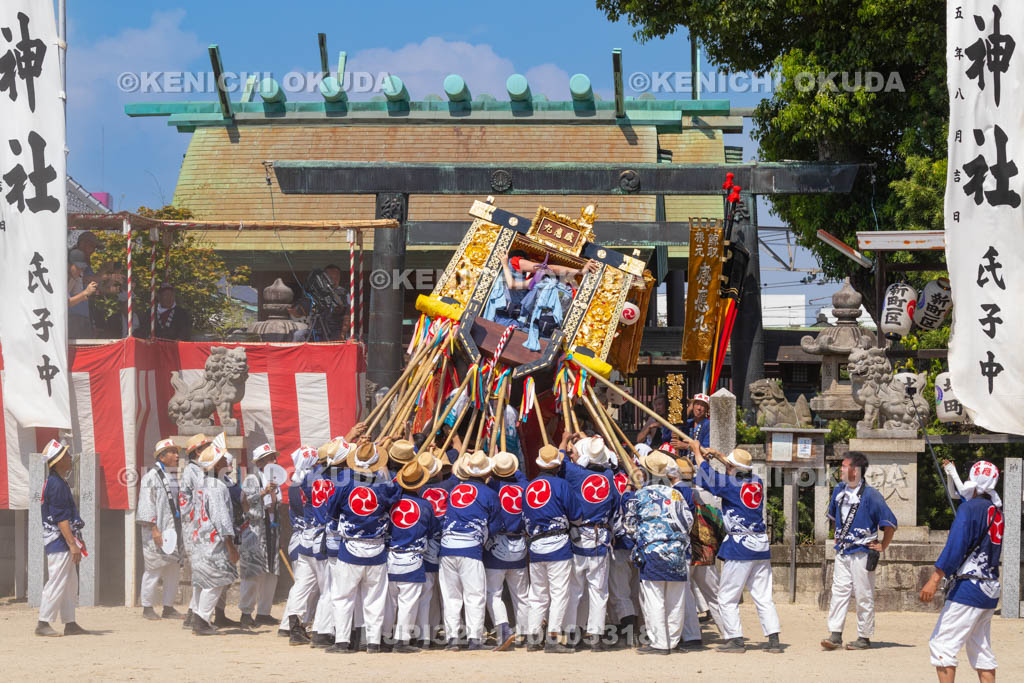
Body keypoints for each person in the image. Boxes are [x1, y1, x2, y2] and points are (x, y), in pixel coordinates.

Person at [690, 439, 782, 653]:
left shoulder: (730, 485)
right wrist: (719, 456)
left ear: (732, 468)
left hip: (740, 547)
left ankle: (735, 640)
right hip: (760, 545)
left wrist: (697, 452)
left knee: (726, 597)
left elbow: (708, 476)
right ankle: (774, 639)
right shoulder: (756, 481)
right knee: (763, 596)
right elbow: (733, 471)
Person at [921, 460, 1004, 682]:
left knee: (942, 644)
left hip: (970, 586)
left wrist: (935, 578)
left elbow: (956, 546)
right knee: (981, 648)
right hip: (990, 587)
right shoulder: (996, 512)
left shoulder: (969, 509)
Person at [325, 440, 401, 653]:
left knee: (343, 596)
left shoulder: (344, 481)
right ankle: (373, 643)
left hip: (350, 547)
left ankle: (342, 642)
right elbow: (396, 495)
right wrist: (384, 474)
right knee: (375, 598)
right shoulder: (383, 484)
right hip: (377, 548)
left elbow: (331, 509)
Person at [821, 451, 898, 651]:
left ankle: (864, 636)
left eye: (844, 466)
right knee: (839, 591)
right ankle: (835, 634)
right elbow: (834, 517)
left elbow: (890, 524)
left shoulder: (871, 495)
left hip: (863, 551)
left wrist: (883, 545)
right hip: (844, 550)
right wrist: (838, 534)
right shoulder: (839, 490)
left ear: (855, 470)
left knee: (863, 593)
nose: (841, 470)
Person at [624, 450, 694, 655]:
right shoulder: (677, 494)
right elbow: (688, 521)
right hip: (677, 552)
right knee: (676, 599)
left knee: (654, 599)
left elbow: (629, 526)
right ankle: (672, 640)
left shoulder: (640, 495)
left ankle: (659, 642)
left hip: (652, 552)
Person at [438, 450, 501, 651]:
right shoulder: (490, 494)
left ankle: (452, 639)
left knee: (451, 596)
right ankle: (474, 639)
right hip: (470, 548)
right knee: (474, 595)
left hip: (447, 547)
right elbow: (496, 525)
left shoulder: (455, 490)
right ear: (487, 473)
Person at [564, 434, 620, 651]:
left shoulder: (575, 474)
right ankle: (595, 635)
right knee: (598, 590)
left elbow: (559, 459)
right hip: (601, 537)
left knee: (575, 589)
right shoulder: (608, 476)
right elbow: (615, 504)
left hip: (579, 536)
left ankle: (573, 634)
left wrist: (566, 441)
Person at [523, 444, 580, 653]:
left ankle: (533, 637)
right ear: (557, 466)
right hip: (558, 545)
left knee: (537, 595)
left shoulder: (529, 487)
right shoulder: (562, 485)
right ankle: (553, 639)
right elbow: (576, 515)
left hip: (536, 546)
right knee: (559, 594)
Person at [383, 454, 440, 653]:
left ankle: (384, 637)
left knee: (390, 602)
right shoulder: (425, 505)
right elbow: (433, 530)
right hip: (413, 558)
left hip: (391, 556)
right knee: (408, 601)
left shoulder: (392, 503)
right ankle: (402, 641)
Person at [669, 456, 726, 648]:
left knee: (685, 594)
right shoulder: (705, 494)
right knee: (715, 595)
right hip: (705, 549)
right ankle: (730, 632)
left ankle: (692, 636)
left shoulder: (672, 494)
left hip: (684, 549)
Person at [36, 440, 88, 637]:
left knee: (69, 583)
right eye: (66, 455)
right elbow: (61, 518)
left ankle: (70, 622)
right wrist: (72, 543)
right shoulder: (56, 484)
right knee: (57, 580)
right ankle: (43, 622)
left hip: (62, 539)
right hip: (59, 540)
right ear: (57, 461)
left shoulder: (58, 481)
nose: (69, 457)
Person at [190, 442, 240, 636]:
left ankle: (197, 616)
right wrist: (230, 545)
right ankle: (202, 620)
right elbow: (222, 519)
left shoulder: (201, 483)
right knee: (216, 580)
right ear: (217, 464)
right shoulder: (218, 486)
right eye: (223, 458)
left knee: (202, 580)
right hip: (214, 540)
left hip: (200, 538)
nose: (227, 461)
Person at [484, 450, 530, 651]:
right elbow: (520, 477)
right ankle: (526, 632)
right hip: (519, 542)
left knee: (493, 592)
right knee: (521, 594)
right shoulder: (525, 486)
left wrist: (494, 468)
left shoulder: (492, 487)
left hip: (497, 544)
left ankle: (503, 629)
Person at [137, 438, 185, 620]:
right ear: (162, 456)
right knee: (153, 568)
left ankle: (168, 607)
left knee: (173, 569)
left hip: (173, 529)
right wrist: (154, 529)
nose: (177, 456)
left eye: (177, 452)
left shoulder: (170, 476)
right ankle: (147, 607)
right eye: (173, 452)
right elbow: (146, 505)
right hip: (157, 530)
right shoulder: (150, 477)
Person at [279, 445, 322, 645]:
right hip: (316, 538)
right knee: (326, 588)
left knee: (302, 586)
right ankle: (321, 630)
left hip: (302, 539)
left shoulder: (294, 484)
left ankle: (292, 627)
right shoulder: (316, 483)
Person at [239, 442, 283, 629]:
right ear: (260, 463)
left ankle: (264, 612)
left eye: (273, 457)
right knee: (253, 571)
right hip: (256, 529)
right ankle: (246, 612)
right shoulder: (252, 479)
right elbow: (245, 501)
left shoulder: (275, 480)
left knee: (271, 573)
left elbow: (276, 504)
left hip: (271, 529)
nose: (274, 460)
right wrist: (263, 492)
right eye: (269, 458)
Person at [416, 450, 450, 648]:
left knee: (427, 592)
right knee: (447, 592)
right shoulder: (450, 485)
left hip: (427, 544)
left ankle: (425, 635)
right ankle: (449, 633)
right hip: (444, 543)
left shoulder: (418, 491)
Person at [179, 433, 211, 629]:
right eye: (206, 447)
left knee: (202, 571)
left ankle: (193, 612)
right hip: (195, 528)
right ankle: (193, 613)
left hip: (199, 527)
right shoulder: (193, 472)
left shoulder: (199, 470)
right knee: (201, 571)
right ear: (198, 451)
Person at [68, 260, 99, 339]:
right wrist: (85, 292)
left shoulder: (75, 278)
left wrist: (87, 294)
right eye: (78, 268)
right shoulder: (61, 278)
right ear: (70, 265)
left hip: (81, 316)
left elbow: (78, 294)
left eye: (82, 269)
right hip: (71, 318)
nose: (80, 271)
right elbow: (67, 303)